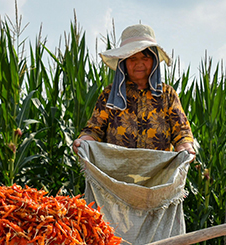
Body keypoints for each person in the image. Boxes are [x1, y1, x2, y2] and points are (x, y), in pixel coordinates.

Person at [73, 23, 197, 156]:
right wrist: (84, 141)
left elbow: (181, 132)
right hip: (117, 171)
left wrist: (185, 146)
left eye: (145, 57)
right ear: (123, 62)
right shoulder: (110, 94)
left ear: (154, 60)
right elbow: (95, 130)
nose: (139, 64)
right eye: (132, 58)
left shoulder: (167, 95)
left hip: (159, 172)